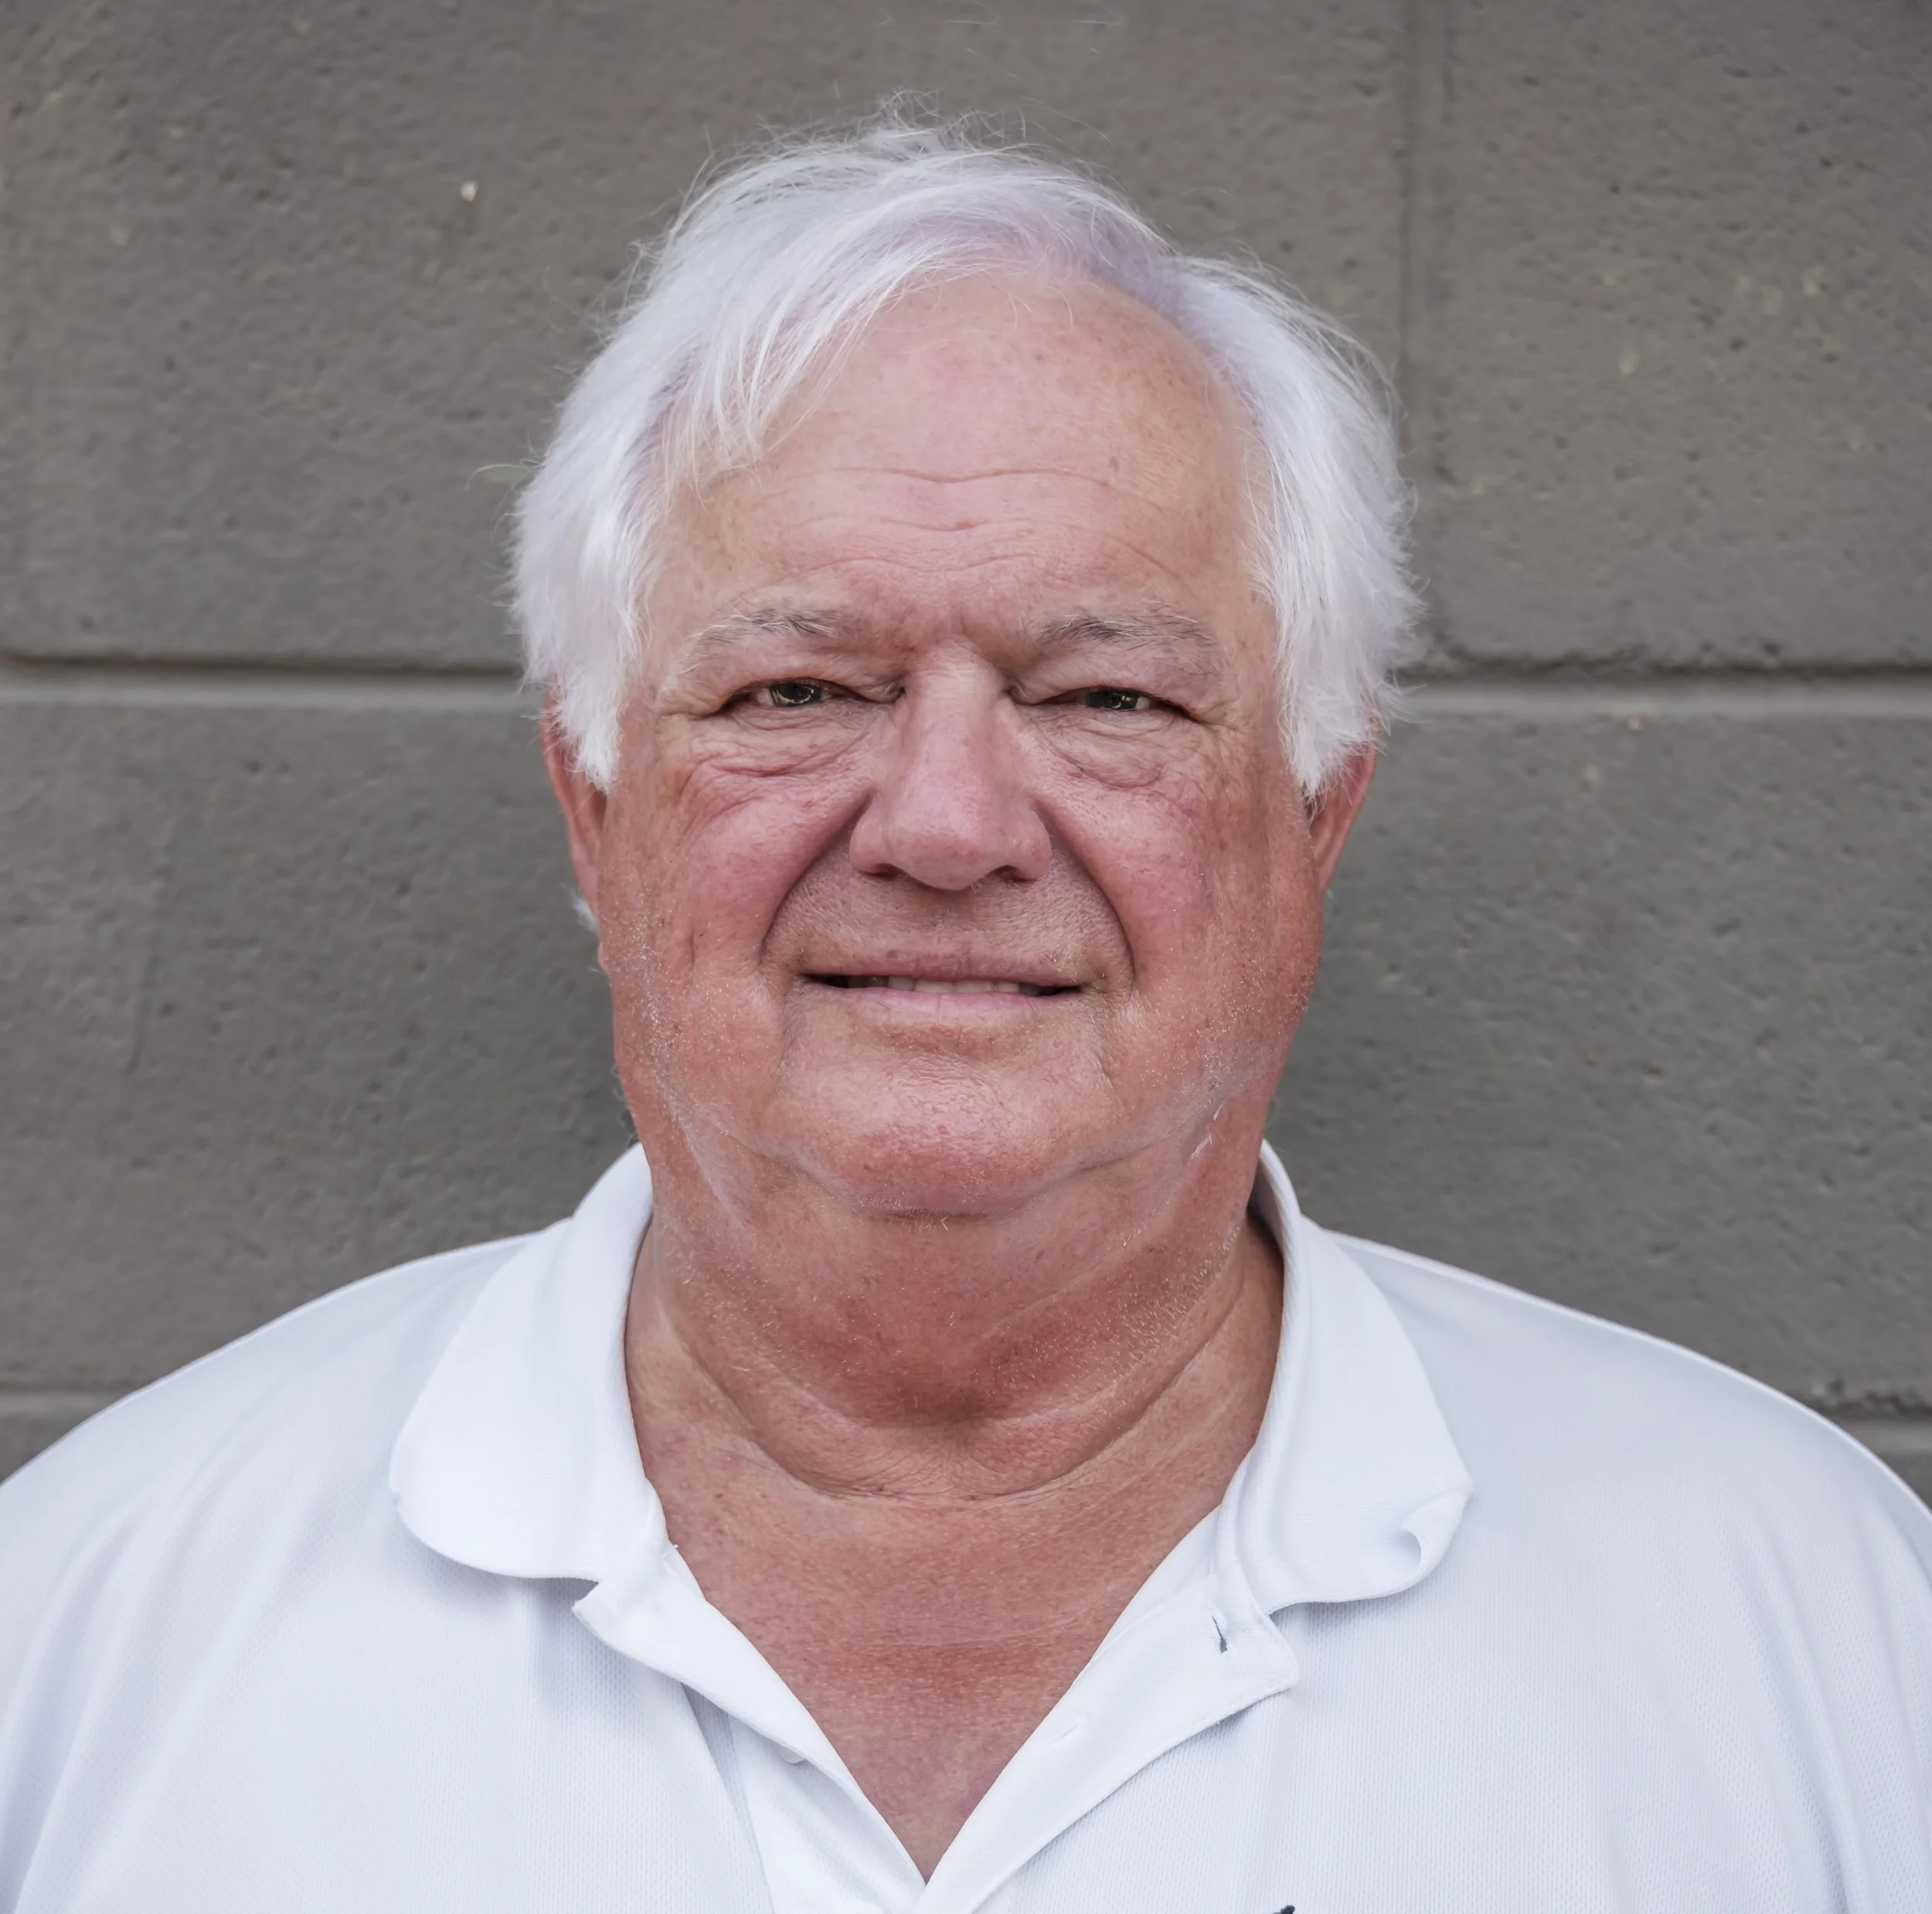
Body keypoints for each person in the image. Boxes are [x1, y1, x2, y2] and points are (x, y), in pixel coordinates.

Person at [2, 117, 1927, 1913]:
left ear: (1311, 822)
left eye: (1107, 700)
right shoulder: (89, 1627)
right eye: (794, 690)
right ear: (594, 810)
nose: (940, 824)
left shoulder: (1807, 1631)